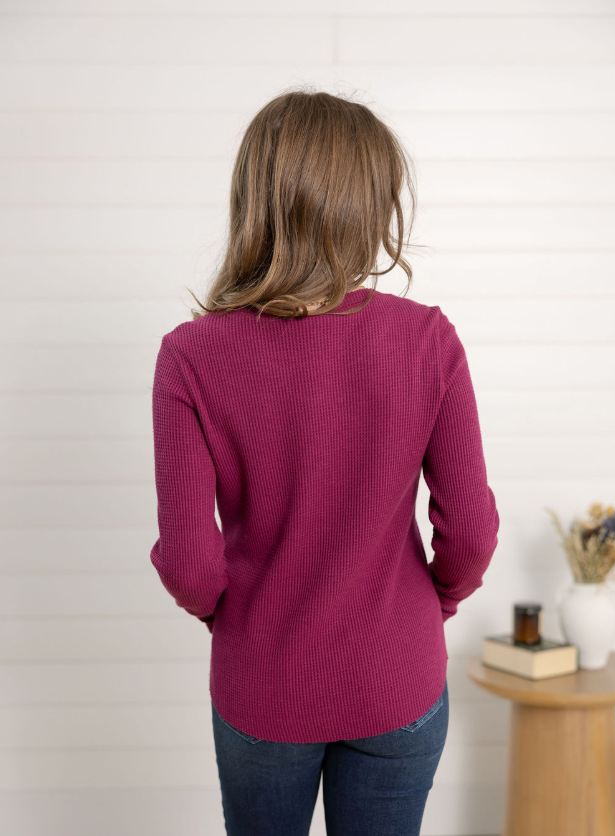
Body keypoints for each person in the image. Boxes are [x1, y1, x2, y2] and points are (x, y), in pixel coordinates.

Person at [150, 88, 500, 836]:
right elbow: (471, 533)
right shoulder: (427, 340)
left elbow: (187, 562)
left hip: (263, 681)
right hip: (395, 673)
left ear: (256, 197)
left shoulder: (191, 356)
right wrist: (423, 609)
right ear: (370, 204)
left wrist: (241, 617)